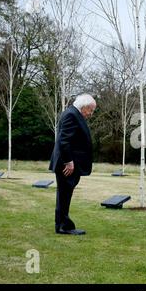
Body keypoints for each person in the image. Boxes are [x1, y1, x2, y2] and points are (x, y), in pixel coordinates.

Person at [49, 94, 96, 235]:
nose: (91, 114)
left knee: (65, 194)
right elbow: (64, 141)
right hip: (67, 165)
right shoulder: (72, 115)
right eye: (91, 110)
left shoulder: (72, 113)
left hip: (69, 163)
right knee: (64, 194)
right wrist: (69, 162)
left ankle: (63, 224)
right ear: (84, 106)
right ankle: (63, 226)